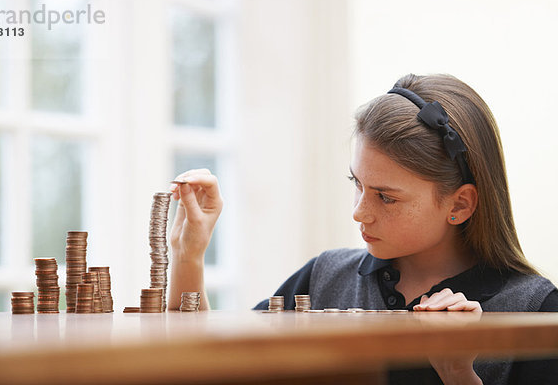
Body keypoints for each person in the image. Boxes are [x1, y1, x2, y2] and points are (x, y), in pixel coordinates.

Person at [167, 74, 558, 385]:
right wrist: (189, 256)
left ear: (459, 204)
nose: (359, 213)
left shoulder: (538, 311)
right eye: (356, 183)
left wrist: (458, 375)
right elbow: (208, 366)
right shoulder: (323, 277)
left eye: (385, 197)